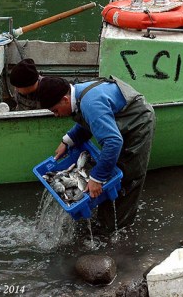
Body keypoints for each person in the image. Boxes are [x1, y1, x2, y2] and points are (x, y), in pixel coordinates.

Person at [37, 76, 156, 232]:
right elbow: (92, 120)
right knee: (108, 173)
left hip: (137, 124)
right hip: (120, 122)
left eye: (55, 110)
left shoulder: (90, 103)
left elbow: (113, 141)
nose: (56, 115)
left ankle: (117, 229)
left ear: (65, 100)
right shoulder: (79, 94)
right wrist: (68, 140)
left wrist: (96, 178)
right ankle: (105, 220)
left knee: (127, 177)